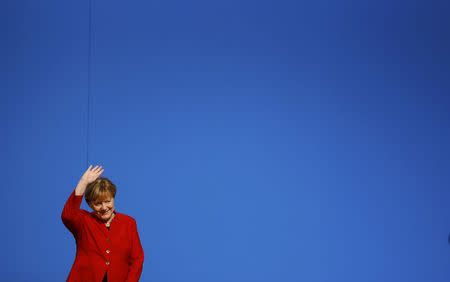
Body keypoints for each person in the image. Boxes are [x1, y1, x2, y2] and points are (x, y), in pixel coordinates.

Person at [61, 165, 144, 282]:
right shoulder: (84, 221)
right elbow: (67, 215)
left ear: (113, 198)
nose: (104, 207)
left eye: (107, 201)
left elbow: (137, 259)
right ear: (90, 204)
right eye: (98, 203)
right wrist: (83, 182)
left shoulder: (128, 223)